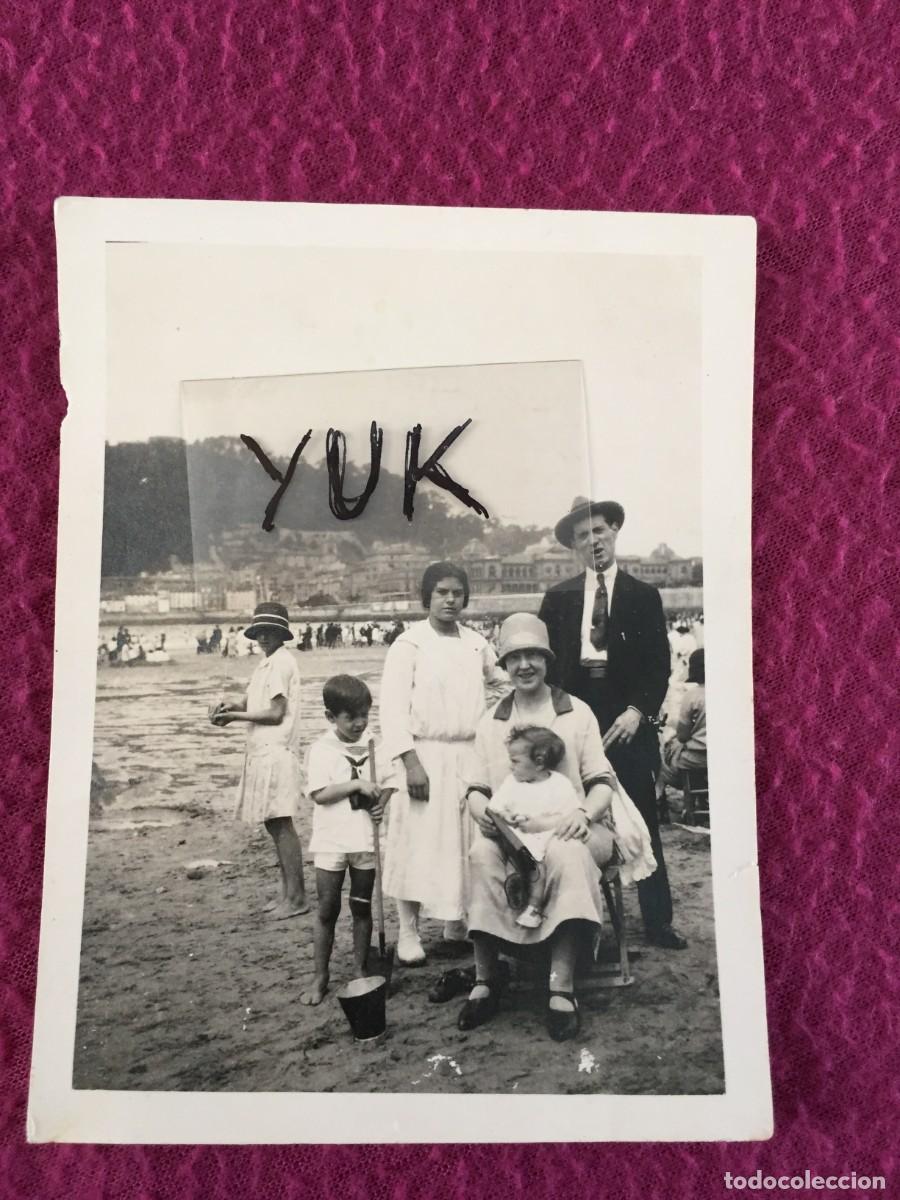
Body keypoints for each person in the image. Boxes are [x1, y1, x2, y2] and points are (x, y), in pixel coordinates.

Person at [461, 613, 656, 1040]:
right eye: (515, 657)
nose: (524, 665)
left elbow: (602, 782)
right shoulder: (491, 720)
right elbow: (475, 787)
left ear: (548, 661)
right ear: (504, 664)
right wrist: (487, 815)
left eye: (533, 655)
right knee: (479, 854)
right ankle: (486, 978)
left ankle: (560, 986)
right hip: (517, 831)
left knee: (567, 853)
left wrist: (583, 814)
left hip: (580, 827)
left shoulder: (575, 712)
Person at [538, 497, 688, 950]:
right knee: (571, 813)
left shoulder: (643, 596)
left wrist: (637, 712)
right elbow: (544, 666)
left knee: (641, 812)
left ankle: (658, 921)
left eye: (599, 531)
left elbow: (659, 667)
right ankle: (575, 919)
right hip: (575, 713)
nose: (593, 541)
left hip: (626, 715)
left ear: (615, 530)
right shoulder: (559, 598)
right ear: (573, 547)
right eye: (582, 536)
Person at [380, 561, 507, 964]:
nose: (450, 600)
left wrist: (491, 724)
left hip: (469, 753)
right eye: (442, 593)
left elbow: (503, 683)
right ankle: (408, 932)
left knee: (465, 839)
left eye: (456, 592)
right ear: (427, 597)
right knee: (417, 842)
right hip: (425, 753)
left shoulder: (476, 642)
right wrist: (411, 762)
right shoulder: (409, 644)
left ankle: (456, 924)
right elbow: (392, 710)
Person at [209, 602, 308, 919]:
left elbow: (276, 713)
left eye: (270, 631)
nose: (264, 636)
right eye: (259, 632)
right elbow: (259, 702)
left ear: (282, 633)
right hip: (263, 750)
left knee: (281, 821)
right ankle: (288, 894)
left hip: (276, 751)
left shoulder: (281, 663)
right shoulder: (267, 663)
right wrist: (233, 704)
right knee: (273, 821)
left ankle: (297, 898)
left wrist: (235, 716)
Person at [300, 675, 394, 1006]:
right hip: (330, 841)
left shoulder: (376, 745)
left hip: (365, 840)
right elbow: (320, 794)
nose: (359, 723)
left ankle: (359, 968)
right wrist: (356, 786)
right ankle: (320, 976)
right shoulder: (322, 749)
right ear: (330, 717)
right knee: (327, 908)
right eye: (349, 717)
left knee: (361, 906)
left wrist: (382, 804)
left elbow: (391, 782)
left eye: (364, 715)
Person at [485, 725, 581, 929]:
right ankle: (515, 890)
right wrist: (507, 815)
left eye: (515, 761)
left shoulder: (559, 785)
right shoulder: (512, 783)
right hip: (516, 840)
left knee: (538, 867)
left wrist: (540, 824)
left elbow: (569, 815)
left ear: (539, 763)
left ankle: (534, 907)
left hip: (544, 839)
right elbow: (496, 806)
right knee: (509, 856)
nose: (511, 767)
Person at [659, 649, 706, 791]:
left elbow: (683, 736)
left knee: (667, 753)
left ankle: (662, 789)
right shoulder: (727, 693)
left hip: (696, 759)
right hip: (723, 755)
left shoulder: (692, 696)